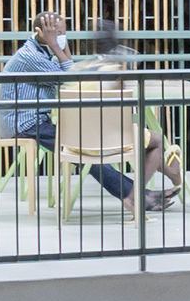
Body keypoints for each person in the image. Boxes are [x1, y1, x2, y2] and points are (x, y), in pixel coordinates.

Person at [64, 24, 183, 212]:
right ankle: (134, 197)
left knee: (143, 140)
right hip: (107, 143)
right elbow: (123, 111)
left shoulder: (76, 68)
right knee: (156, 140)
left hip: (75, 143)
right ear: (116, 43)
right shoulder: (113, 70)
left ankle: (172, 173)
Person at [0, 10, 73, 153]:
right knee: (77, 147)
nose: (61, 37)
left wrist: (63, 45)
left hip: (36, 120)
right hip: (24, 124)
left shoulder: (42, 52)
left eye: (64, 33)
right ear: (40, 32)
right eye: (57, 33)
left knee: (79, 143)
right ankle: (120, 177)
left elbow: (72, 76)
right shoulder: (30, 56)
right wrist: (55, 45)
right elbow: (69, 79)